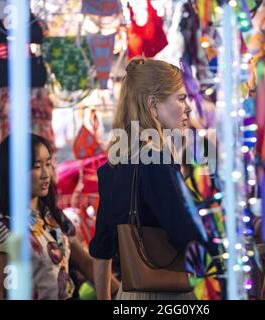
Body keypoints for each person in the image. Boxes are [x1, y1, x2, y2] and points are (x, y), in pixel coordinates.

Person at [89, 58, 203, 300]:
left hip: (128, 295)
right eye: (180, 98)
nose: (188, 108)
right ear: (153, 105)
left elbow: (101, 250)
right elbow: (189, 238)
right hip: (168, 294)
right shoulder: (157, 163)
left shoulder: (113, 165)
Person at [0, 134, 119, 299]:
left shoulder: (53, 216)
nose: (46, 174)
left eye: (48, 164)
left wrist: (123, 293)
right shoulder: (3, 228)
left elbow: (86, 263)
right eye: (36, 166)